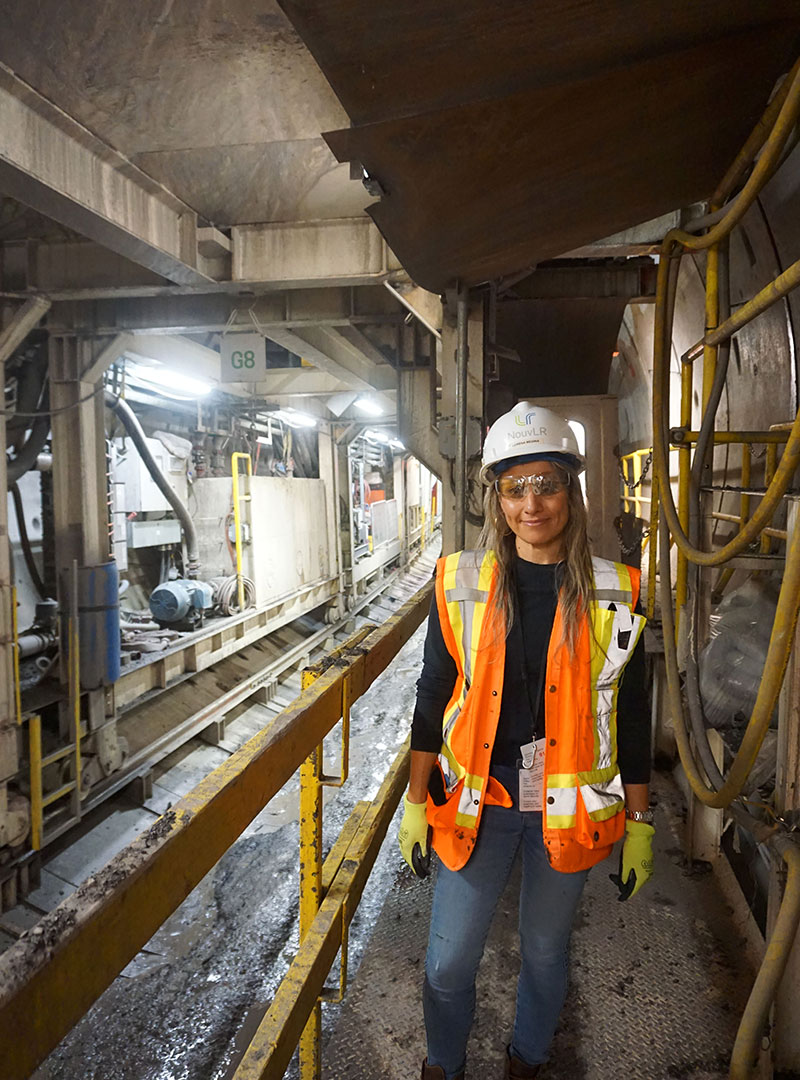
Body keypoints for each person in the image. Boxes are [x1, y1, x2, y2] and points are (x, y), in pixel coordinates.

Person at [397, 401, 654, 1080]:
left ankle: (528, 1059)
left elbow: (631, 715)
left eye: (547, 483)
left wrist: (640, 821)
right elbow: (432, 693)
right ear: (496, 498)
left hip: (564, 814)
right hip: (479, 804)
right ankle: (442, 1064)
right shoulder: (458, 583)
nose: (532, 503)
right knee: (448, 961)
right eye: (516, 487)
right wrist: (415, 801)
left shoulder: (618, 592)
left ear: (572, 490)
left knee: (544, 952)